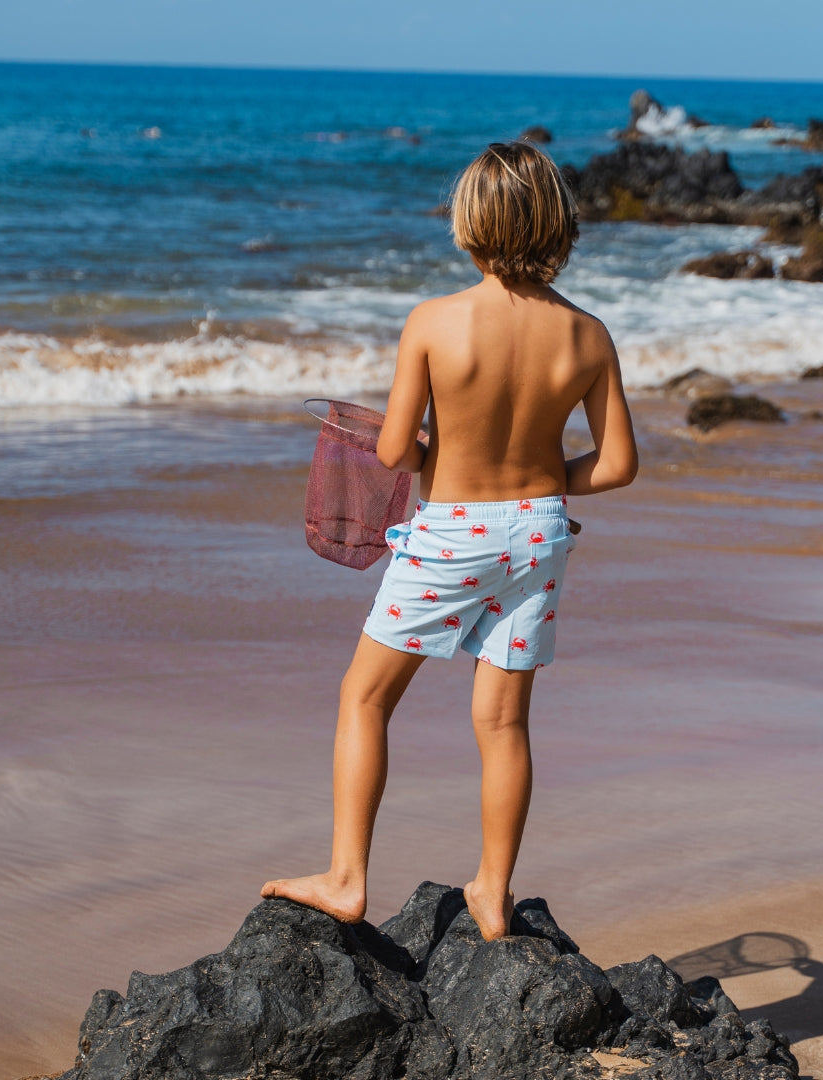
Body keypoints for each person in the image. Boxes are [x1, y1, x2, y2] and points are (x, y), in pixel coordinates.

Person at [262, 141, 638, 941]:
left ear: (469, 226)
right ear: (558, 223)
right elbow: (617, 465)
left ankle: (346, 878)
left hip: (453, 533)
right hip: (538, 533)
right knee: (502, 723)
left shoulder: (434, 322)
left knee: (366, 696)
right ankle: (493, 892)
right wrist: (541, 478)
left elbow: (396, 451)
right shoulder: (587, 335)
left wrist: (441, 455)